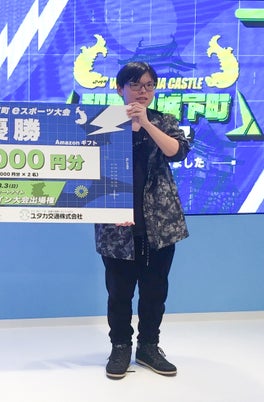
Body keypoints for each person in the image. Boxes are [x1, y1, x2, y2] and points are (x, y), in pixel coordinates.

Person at [95, 61, 190, 379]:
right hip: (116, 226)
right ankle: (120, 347)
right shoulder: (103, 122)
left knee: (155, 291)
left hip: (160, 224)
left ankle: (149, 347)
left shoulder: (164, 121)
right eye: (135, 84)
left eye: (149, 85)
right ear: (119, 88)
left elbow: (177, 152)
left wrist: (146, 123)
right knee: (119, 293)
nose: (143, 91)